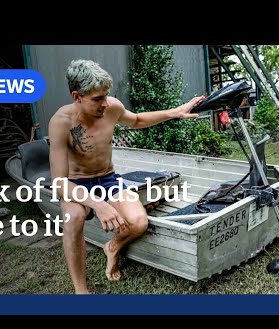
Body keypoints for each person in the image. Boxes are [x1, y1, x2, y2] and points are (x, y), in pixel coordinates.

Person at [48, 59, 205, 294]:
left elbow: (138, 120)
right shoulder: (61, 123)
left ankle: (112, 247)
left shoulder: (111, 107)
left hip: (108, 179)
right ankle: (81, 292)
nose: (105, 103)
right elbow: (59, 183)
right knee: (73, 220)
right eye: (97, 99)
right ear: (76, 96)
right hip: (76, 184)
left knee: (138, 222)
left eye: (106, 95)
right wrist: (98, 205)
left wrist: (176, 112)